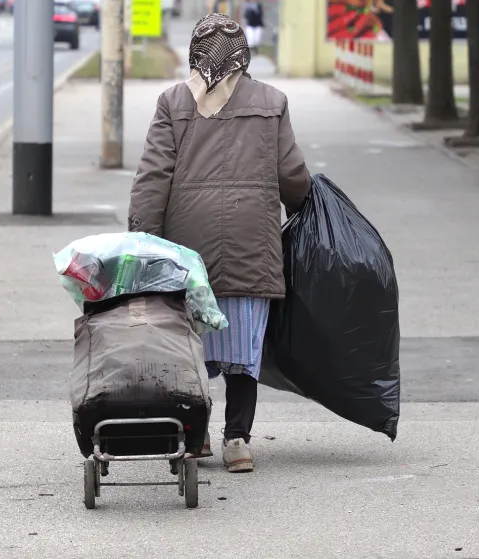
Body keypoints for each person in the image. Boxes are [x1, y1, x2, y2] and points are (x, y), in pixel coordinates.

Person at [127, 13, 311, 473]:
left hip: (188, 251)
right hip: (253, 243)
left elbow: (153, 177)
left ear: (195, 54)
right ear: (243, 56)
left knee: (189, 345)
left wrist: (143, 239)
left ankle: (196, 436)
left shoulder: (173, 101)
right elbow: (292, 176)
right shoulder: (272, 101)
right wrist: (307, 210)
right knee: (243, 350)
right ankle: (238, 441)